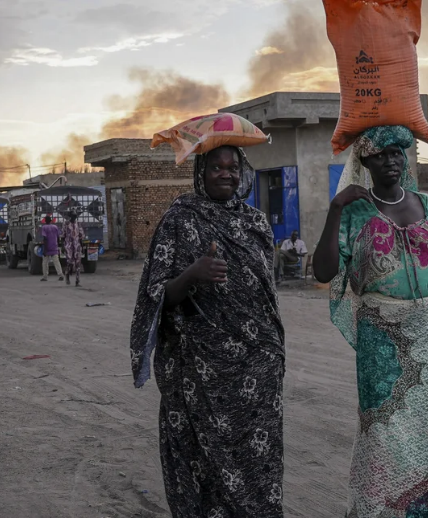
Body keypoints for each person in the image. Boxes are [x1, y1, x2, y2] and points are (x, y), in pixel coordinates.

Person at [312, 126, 428, 518]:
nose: (391, 160)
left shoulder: (427, 205)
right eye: (381, 154)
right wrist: (335, 208)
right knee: (383, 435)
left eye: (397, 153)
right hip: (382, 342)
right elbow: (323, 272)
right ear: (364, 161)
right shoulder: (352, 211)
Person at [129, 145, 284, 517]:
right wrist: (192, 275)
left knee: (257, 462)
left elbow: (267, 297)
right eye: (217, 167)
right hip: (198, 370)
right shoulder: (179, 220)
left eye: (233, 167)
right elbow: (155, 296)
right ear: (201, 171)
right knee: (201, 462)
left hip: (256, 369)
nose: (226, 174)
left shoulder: (256, 223)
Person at [62, 211, 84, 286]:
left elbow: (81, 236)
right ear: (70, 216)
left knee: (78, 264)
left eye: (75, 216)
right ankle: (67, 274)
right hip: (68, 246)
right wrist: (62, 246)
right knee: (70, 263)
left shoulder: (78, 224)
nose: (75, 217)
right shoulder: (66, 224)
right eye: (73, 216)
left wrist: (82, 246)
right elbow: (63, 235)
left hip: (77, 245)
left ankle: (77, 281)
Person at [39, 215, 64, 282]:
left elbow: (45, 238)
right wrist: (57, 245)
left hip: (47, 247)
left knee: (45, 262)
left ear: (45, 221)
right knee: (56, 262)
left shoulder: (44, 227)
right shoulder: (55, 227)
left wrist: (45, 249)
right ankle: (61, 275)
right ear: (50, 221)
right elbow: (58, 236)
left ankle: (45, 277)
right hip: (54, 247)